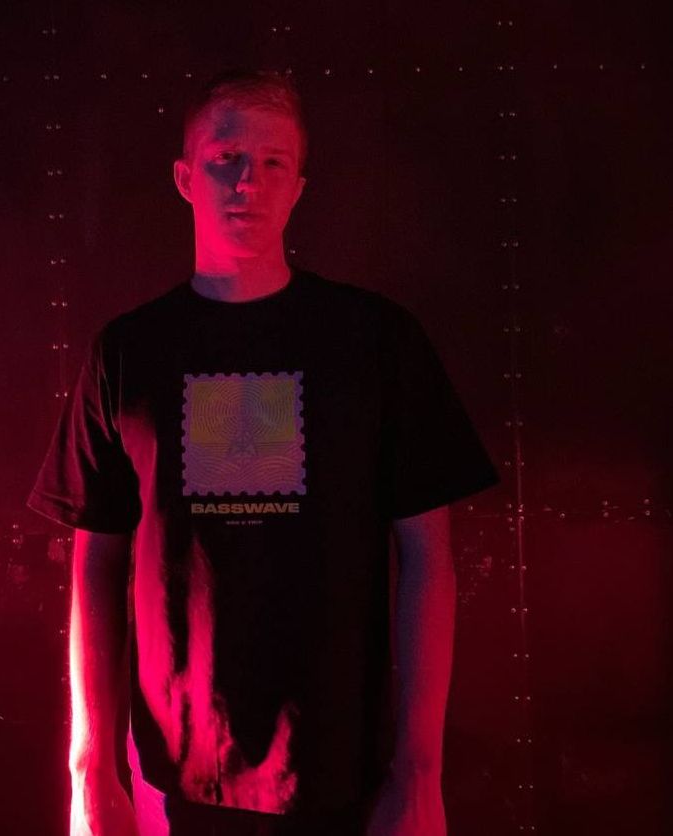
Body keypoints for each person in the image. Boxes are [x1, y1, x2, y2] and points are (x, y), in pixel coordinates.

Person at [26, 68, 500, 836]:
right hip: (180, 778)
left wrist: (419, 773)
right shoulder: (128, 353)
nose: (249, 180)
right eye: (227, 157)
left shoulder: (377, 342)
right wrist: (90, 772)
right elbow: (95, 565)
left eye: (274, 161)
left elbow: (428, 559)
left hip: (346, 772)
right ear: (185, 177)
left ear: (300, 187)